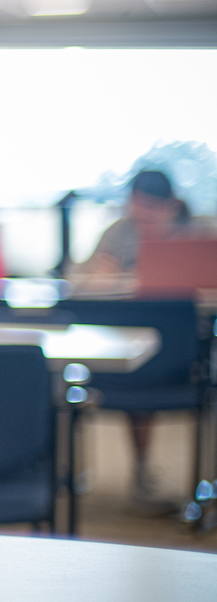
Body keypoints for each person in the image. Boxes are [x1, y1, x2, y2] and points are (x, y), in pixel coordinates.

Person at [81, 169, 212, 513]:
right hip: (123, 356)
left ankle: (152, 472)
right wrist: (96, 276)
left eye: (151, 208)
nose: (142, 216)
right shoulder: (115, 234)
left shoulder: (196, 237)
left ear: (170, 206)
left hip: (176, 359)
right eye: (135, 206)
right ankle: (134, 468)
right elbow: (80, 282)